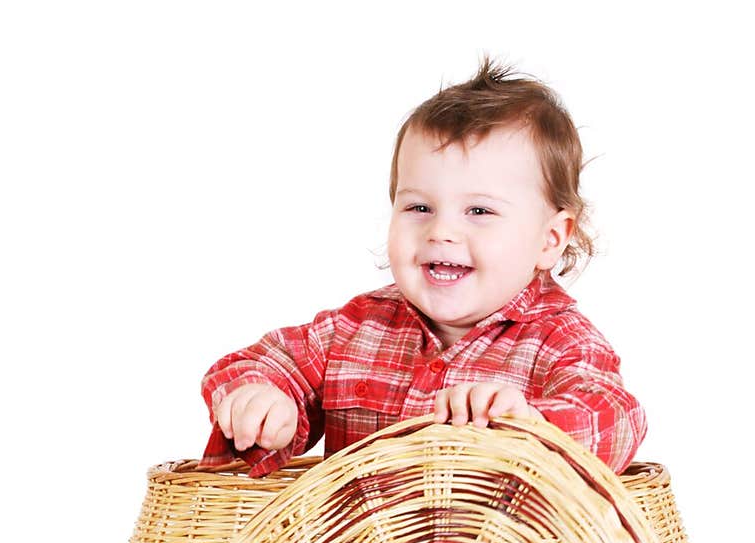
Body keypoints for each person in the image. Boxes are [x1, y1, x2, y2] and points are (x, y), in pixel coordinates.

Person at [201, 56, 646, 477]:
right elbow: (264, 362)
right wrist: (260, 398)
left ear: (549, 240)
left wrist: (531, 424)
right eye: (419, 207)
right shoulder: (356, 329)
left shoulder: (559, 341)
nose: (441, 232)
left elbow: (616, 415)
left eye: (479, 212)